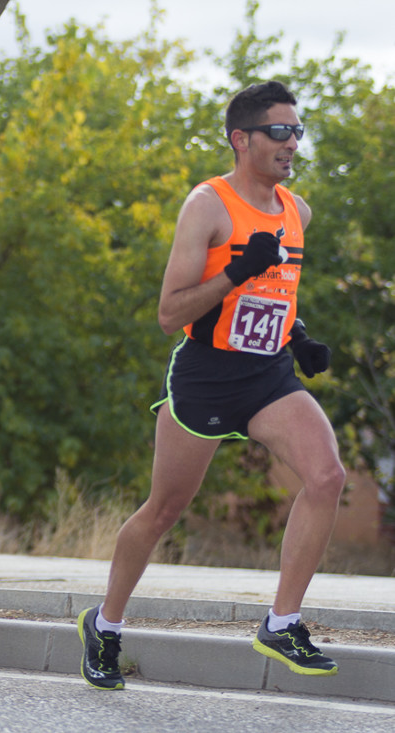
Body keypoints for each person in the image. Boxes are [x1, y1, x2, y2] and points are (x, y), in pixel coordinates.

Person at [78, 80, 346, 690]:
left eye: (297, 131)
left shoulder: (297, 211)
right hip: (206, 373)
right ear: (241, 139)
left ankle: (282, 622)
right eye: (279, 131)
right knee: (165, 508)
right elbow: (171, 313)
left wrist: (298, 335)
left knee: (327, 475)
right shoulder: (209, 205)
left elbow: (274, 292)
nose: (291, 143)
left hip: (268, 372)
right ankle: (106, 623)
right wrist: (235, 269)